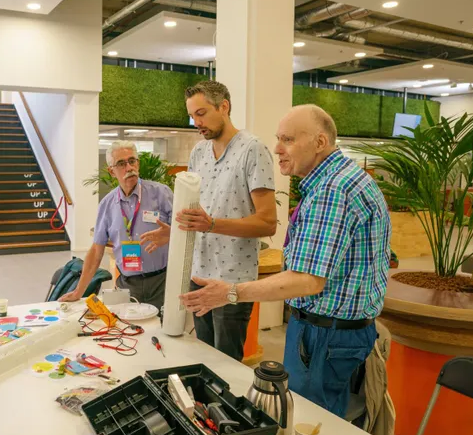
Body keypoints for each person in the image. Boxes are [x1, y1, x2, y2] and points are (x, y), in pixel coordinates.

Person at [181, 104, 391, 417]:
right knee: (324, 419)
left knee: (313, 424)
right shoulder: (338, 180)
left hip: (326, 335)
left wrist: (231, 292)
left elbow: (307, 280)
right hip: (332, 331)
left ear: (320, 142)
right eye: (279, 139)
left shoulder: (332, 190)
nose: (278, 149)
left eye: (288, 140)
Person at [147, 80, 277, 362]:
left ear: (224, 107)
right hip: (198, 275)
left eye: (202, 113)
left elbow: (268, 222)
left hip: (232, 281)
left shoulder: (253, 150)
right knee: (202, 359)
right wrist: (175, 233)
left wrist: (213, 225)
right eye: (192, 116)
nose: (196, 122)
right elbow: (199, 215)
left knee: (226, 365)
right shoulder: (199, 153)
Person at [59, 141, 173, 308]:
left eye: (132, 161)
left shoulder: (161, 193)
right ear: (111, 171)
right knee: (127, 325)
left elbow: (187, 232)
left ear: (138, 164)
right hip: (127, 285)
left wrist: (172, 234)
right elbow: (96, 250)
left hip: (162, 282)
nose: (129, 168)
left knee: (162, 325)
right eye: (121, 163)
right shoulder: (107, 205)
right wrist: (79, 291)